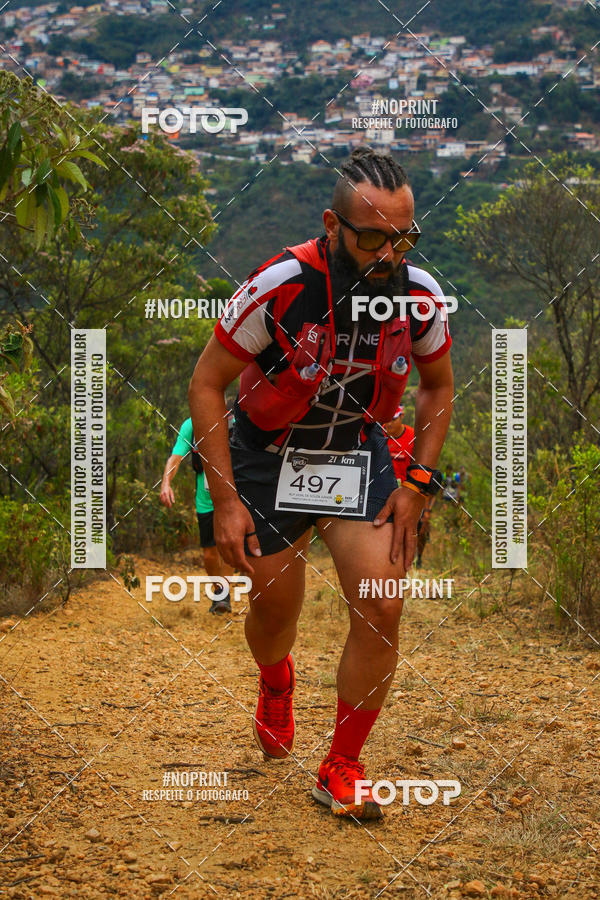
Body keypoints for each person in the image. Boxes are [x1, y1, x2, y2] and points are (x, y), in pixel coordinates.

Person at [188, 146, 454, 819]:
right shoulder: (283, 283)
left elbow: (437, 386)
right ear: (332, 227)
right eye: (372, 238)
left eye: (403, 239)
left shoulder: (419, 298)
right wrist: (224, 500)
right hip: (264, 455)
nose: (388, 254)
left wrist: (417, 480)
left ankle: (342, 764)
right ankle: (275, 679)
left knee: (382, 604)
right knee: (276, 610)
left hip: (352, 453)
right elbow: (206, 382)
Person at [160, 416, 234, 614]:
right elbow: (176, 458)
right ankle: (218, 588)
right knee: (209, 553)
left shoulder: (234, 420)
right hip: (205, 499)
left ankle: (223, 595)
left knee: (229, 547)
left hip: (232, 496)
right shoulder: (191, 425)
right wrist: (166, 483)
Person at [383, 404, 415, 483]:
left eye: (393, 419)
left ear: (402, 416)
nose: (389, 423)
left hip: (403, 489)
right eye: (387, 419)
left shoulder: (412, 437)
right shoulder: (377, 433)